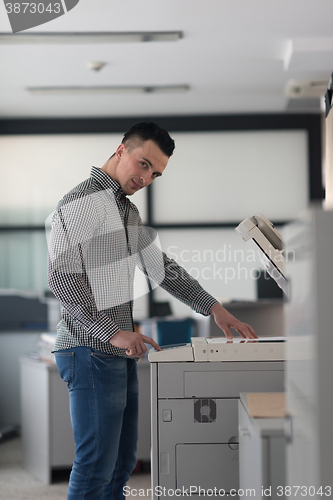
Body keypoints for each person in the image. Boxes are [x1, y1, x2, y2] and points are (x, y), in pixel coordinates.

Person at [47, 122, 257, 500]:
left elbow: (162, 269)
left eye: (155, 173)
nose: (146, 178)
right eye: (143, 164)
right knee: (95, 464)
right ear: (121, 150)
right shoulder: (82, 203)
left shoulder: (125, 211)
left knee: (122, 463)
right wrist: (113, 332)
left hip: (117, 351)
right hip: (89, 348)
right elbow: (62, 280)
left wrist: (214, 307)